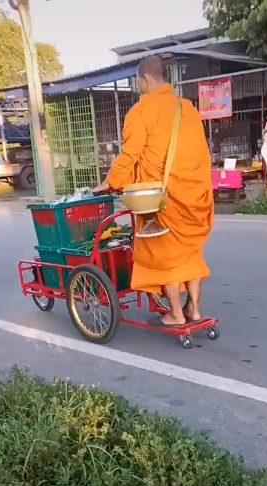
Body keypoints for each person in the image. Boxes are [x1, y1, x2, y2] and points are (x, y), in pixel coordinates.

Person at [93, 55, 213, 327]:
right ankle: (194, 309)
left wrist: (111, 181)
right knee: (190, 252)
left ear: (145, 79)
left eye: (139, 82)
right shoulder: (188, 108)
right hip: (192, 194)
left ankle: (176, 313)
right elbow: (200, 153)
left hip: (160, 199)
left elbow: (130, 154)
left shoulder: (140, 111)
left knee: (166, 253)